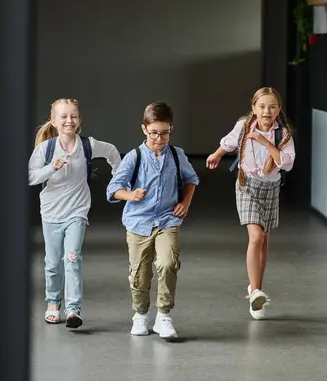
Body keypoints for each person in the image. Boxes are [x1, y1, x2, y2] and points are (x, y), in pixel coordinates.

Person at [106, 102, 199, 339]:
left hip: (168, 219)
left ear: (171, 129)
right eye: (154, 132)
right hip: (139, 222)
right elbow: (114, 188)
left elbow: (191, 179)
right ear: (144, 129)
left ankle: (164, 316)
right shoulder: (134, 157)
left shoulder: (177, 155)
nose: (159, 138)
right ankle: (140, 315)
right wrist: (131, 194)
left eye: (165, 132)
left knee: (168, 263)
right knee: (140, 273)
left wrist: (185, 202)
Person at [29, 98, 121, 328]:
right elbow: (30, 177)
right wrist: (52, 167)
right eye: (64, 117)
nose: (69, 121)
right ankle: (53, 302)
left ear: (79, 120)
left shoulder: (88, 145)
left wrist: (118, 178)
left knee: (72, 258)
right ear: (54, 121)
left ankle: (73, 309)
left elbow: (112, 151)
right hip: (50, 213)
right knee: (52, 263)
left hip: (77, 211)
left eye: (73, 116)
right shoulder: (46, 149)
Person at [206, 87, 295, 319]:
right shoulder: (244, 126)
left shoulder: (283, 135)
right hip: (246, 185)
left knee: (264, 240)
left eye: (272, 106)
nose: (267, 111)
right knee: (255, 236)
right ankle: (255, 291)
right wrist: (216, 155)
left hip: (270, 188)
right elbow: (229, 143)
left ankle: (256, 289)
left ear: (279, 110)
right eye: (262, 106)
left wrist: (266, 143)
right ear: (254, 108)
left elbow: (286, 163)